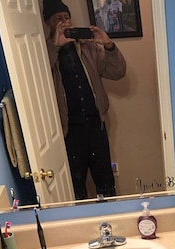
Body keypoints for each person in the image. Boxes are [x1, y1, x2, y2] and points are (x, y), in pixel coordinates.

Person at [43, 0, 126, 200]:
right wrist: (55, 46)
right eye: (58, 19)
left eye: (66, 17)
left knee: (105, 180)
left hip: (95, 125)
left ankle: (111, 215)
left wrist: (108, 45)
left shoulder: (87, 47)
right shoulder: (44, 51)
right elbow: (36, 79)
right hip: (68, 130)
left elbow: (118, 71)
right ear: (48, 23)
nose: (64, 23)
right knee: (74, 184)